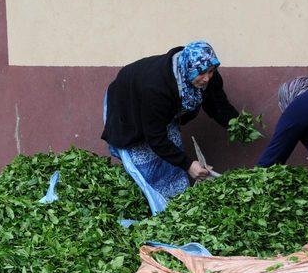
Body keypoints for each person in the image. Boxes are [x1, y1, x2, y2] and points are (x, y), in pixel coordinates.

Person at [101, 41, 239, 198]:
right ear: (188, 68)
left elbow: (218, 104)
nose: (207, 78)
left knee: (172, 164)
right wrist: (188, 164)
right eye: (202, 73)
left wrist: (236, 124)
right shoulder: (156, 88)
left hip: (160, 111)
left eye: (211, 71)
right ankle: (151, 209)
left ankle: (175, 203)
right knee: (146, 170)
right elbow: (155, 137)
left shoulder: (204, 70)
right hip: (128, 107)